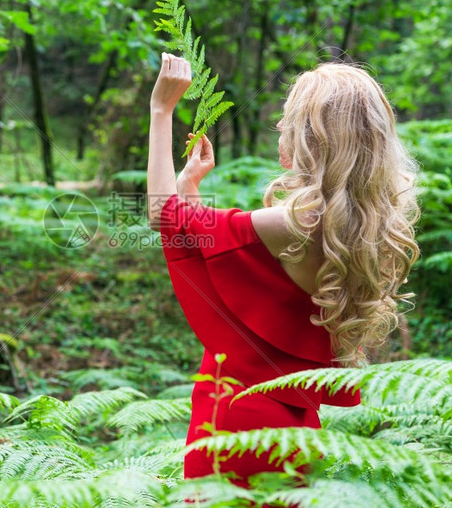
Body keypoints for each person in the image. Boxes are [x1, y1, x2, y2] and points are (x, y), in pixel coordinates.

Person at [145, 53, 420, 490]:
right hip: (292, 422)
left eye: (287, 118)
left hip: (236, 422)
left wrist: (161, 111)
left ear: (314, 139)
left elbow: (164, 218)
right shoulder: (350, 227)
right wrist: (188, 188)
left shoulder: (291, 223)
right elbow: (222, 259)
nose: (278, 128)